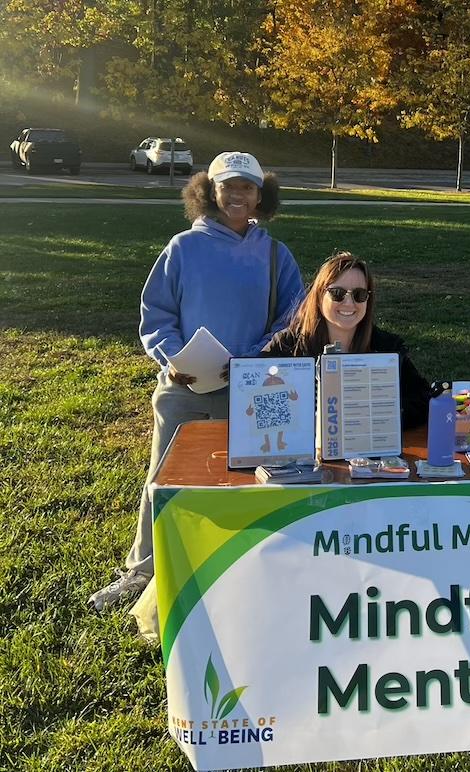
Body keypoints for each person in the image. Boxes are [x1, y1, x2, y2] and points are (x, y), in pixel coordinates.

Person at [89, 152, 304, 611]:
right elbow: (158, 314)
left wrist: (251, 359)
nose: (237, 195)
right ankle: (142, 570)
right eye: (228, 186)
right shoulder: (183, 248)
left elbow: (292, 319)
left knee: (246, 479)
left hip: (250, 389)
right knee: (163, 479)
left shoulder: (274, 255)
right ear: (210, 192)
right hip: (183, 387)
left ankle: (241, 564)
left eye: (247, 187)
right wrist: (172, 358)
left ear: (260, 196)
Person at [263, 252, 431, 430]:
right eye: (337, 293)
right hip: (302, 450)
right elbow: (253, 387)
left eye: (359, 295)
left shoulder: (386, 347)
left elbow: (423, 399)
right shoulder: (288, 343)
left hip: (367, 449)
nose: (349, 303)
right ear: (320, 297)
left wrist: (380, 415)